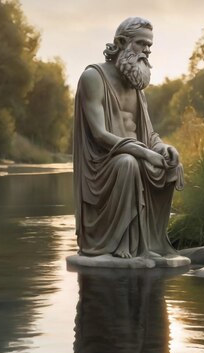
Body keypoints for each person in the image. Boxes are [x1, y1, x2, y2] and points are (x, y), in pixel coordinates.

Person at [73, 17, 184, 260]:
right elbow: (99, 134)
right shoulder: (93, 77)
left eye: (150, 46)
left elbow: (148, 134)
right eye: (141, 43)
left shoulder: (136, 85)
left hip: (132, 156)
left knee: (169, 166)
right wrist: (144, 152)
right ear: (121, 42)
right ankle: (121, 244)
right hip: (103, 164)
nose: (147, 51)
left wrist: (163, 148)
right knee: (128, 163)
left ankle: (148, 243)